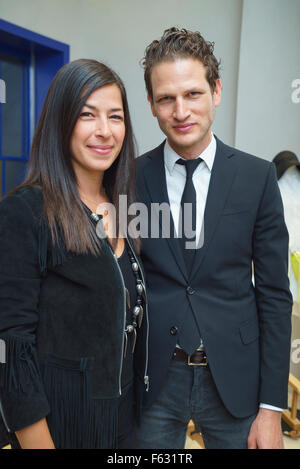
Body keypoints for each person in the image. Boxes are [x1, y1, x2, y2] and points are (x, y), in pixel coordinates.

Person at [133, 27, 292, 449]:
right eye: (166, 98)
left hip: (235, 382)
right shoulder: (129, 179)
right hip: (152, 383)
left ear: (216, 90)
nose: (180, 110)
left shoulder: (257, 178)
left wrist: (272, 408)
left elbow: (275, 295)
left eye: (193, 94)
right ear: (151, 104)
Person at [0, 59, 149, 449]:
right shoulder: (26, 211)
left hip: (123, 425)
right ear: (61, 122)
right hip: (60, 428)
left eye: (115, 117)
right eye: (87, 115)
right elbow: (13, 349)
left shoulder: (125, 209)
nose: (104, 131)